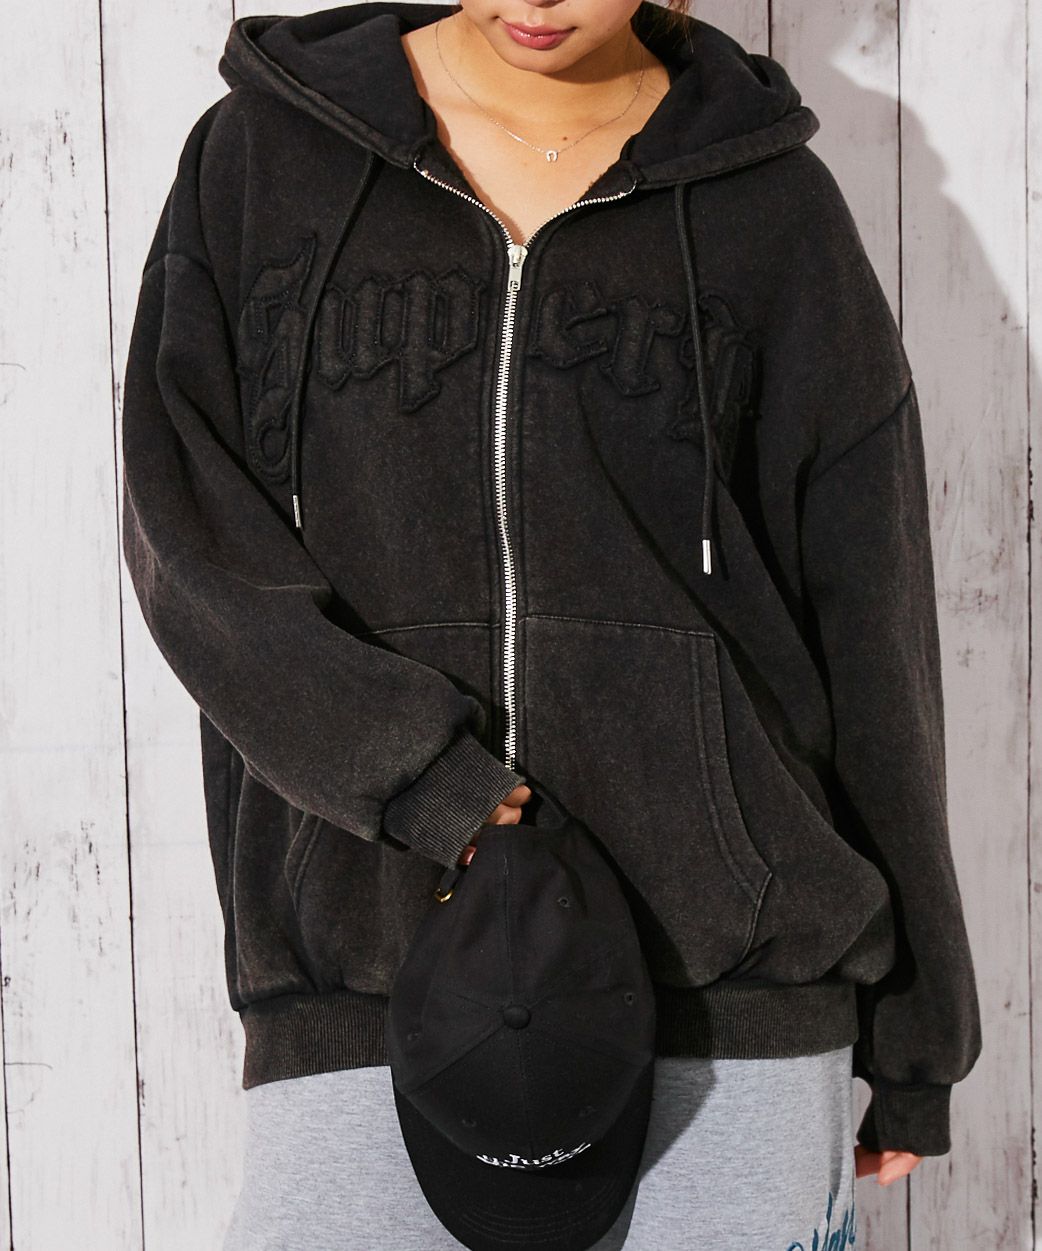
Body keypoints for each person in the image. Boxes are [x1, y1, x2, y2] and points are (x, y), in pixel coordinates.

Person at [119, 1, 983, 1246]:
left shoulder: (771, 206)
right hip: (369, 981)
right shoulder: (261, 159)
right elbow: (190, 541)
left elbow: (873, 622)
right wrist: (418, 777)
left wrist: (917, 1036)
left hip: (730, 999)